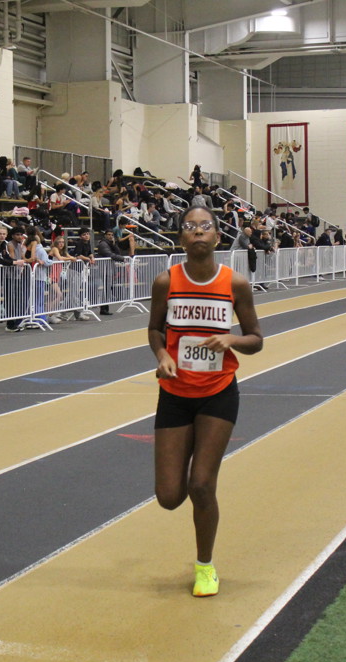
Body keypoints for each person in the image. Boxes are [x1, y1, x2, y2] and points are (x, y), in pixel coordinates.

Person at [147, 205, 264, 598]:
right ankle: (184, 469)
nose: (197, 231)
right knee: (169, 497)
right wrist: (162, 355)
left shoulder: (235, 284)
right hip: (175, 395)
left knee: (201, 484)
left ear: (217, 236)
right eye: (189, 226)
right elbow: (154, 329)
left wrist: (232, 339)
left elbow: (256, 339)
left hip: (218, 392)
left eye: (205, 226)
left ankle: (205, 567)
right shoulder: (166, 281)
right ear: (181, 237)